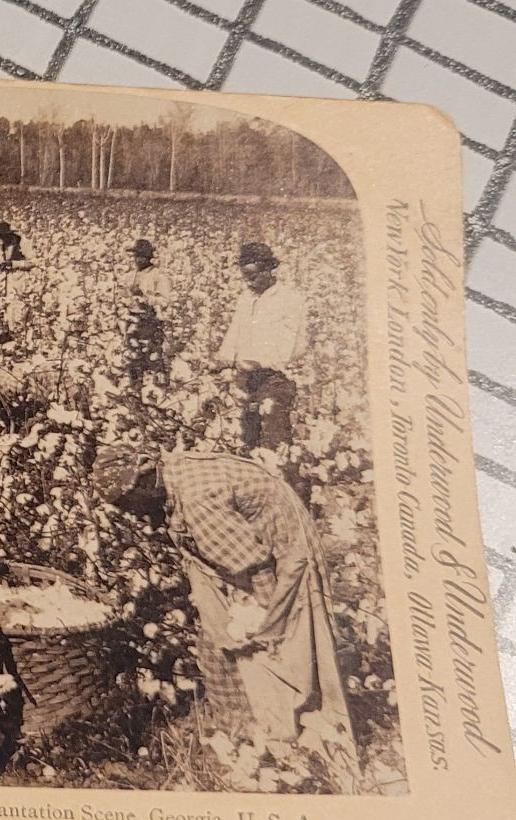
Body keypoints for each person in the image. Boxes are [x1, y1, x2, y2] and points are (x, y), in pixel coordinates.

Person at [91, 444, 359, 791]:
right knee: (224, 643)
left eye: (128, 503)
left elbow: (254, 565)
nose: (131, 513)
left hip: (283, 555)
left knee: (291, 651)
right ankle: (250, 732)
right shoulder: (171, 472)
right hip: (255, 550)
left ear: (143, 481)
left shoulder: (198, 501)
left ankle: (313, 747)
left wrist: (262, 617)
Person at [216, 242, 307, 452]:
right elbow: (234, 332)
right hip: (247, 378)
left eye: (253, 276)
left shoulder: (289, 299)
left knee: (272, 432)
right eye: (245, 277)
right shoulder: (246, 299)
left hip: (276, 378)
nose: (248, 282)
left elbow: (289, 346)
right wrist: (223, 359)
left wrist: (253, 362)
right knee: (246, 432)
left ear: (268, 270)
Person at [120, 238, 172, 391]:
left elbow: (164, 301)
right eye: (136, 256)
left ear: (149, 257)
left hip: (150, 321)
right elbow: (123, 297)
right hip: (132, 319)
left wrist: (146, 299)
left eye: (142, 256)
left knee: (151, 355)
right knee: (132, 355)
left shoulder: (159, 276)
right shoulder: (130, 276)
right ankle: (135, 387)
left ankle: (153, 389)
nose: (138, 259)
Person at [0, 221, 33, 342]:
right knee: (9, 310)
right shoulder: (3, 246)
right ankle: (13, 337)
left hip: (21, 281)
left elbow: (32, 262)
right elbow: (4, 266)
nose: (1, 238)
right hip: (9, 283)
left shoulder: (22, 244)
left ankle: (22, 339)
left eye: (3, 236)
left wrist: (13, 264)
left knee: (20, 311)